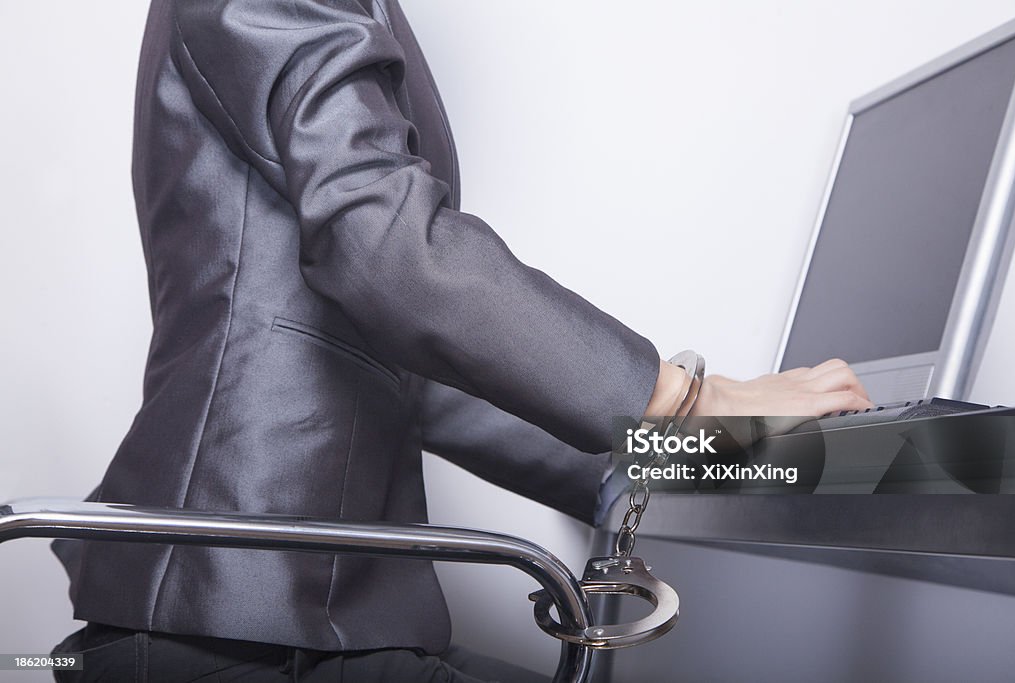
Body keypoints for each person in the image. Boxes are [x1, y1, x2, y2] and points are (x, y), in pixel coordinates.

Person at [49, 1, 871, 681]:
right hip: (244, 612)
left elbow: (406, 364)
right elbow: (393, 254)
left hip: (292, 606)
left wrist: (669, 458)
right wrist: (689, 400)